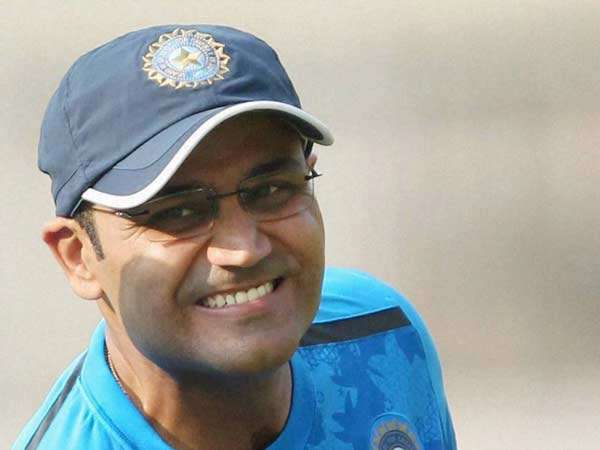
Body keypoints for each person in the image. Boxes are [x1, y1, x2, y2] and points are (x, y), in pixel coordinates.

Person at [13, 25, 456, 450]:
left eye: (271, 190)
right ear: (78, 257)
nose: (244, 250)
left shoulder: (380, 336)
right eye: (178, 212)